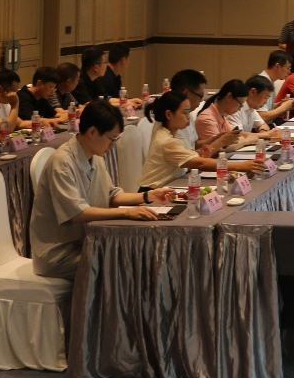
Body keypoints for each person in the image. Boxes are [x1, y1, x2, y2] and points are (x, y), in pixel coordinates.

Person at [30, 101, 174, 279]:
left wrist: (147, 196)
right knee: (124, 263)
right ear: (92, 132)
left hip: (88, 242)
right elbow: (76, 214)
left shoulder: (95, 155)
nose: (112, 145)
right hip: (59, 254)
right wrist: (126, 213)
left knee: (138, 253)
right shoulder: (62, 162)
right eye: (112, 139)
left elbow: (111, 195)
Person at [139, 91, 268, 190]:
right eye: (185, 113)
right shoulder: (166, 140)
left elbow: (187, 160)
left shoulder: (169, 134)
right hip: (152, 191)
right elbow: (199, 164)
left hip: (167, 187)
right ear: (169, 114)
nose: (188, 117)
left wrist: (202, 153)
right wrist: (242, 166)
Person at [195, 76, 255, 155]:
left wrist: (242, 140)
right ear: (229, 96)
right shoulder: (207, 118)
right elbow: (218, 149)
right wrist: (246, 141)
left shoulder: (221, 115)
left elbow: (237, 137)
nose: (240, 108)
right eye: (240, 104)